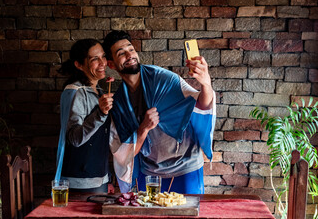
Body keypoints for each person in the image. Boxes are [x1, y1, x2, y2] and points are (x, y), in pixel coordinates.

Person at [103, 31, 216, 194]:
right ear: (111, 64)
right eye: (121, 53)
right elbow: (123, 154)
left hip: (185, 167)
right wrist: (143, 128)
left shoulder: (163, 79)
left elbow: (201, 105)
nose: (129, 55)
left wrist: (206, 83)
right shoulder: (119, 102)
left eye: (131, 49)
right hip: (149, 173)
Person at [55, 39, 114, 193]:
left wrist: (107, 177)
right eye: (94, 59)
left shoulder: (98, 91)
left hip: (99, 178)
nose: (102, 63)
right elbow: (74, 139)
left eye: (103, 56)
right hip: (81, 181)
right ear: (79, 65)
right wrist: (100, 114)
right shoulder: (76, 92)